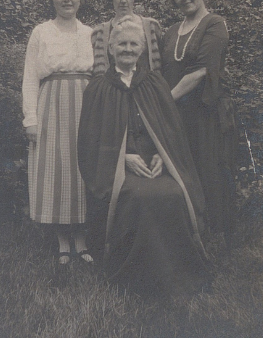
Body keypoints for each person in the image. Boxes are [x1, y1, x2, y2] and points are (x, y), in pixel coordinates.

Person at [78, 18, 210, 296]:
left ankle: (176, 271)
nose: (127, 49)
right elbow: (90, 142)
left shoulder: (154, 82)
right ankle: (135, 277)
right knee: (137, 197)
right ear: (111, 49)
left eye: (133, 44)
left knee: (172, 192)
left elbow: (171, 131)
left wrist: (164, 157)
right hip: (118, 170)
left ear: (142, 50)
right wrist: (123, 158)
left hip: (155, 163)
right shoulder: (99, 87)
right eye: (122, 44)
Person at [22, 0, 94, 264]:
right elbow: (29, 77)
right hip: (51, 103)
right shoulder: (41, 32)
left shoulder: (92, 33)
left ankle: (82, 238)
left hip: (86, 104)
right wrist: (31, 119)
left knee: (82, 169)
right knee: (58, 169)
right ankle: (63, 239)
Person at [161, 0, 237, 239]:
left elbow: (200, 71)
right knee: (181, 172)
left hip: (204, 113)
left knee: (208, 171)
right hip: (175, 113)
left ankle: (216, 237)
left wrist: (163, 103)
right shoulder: (171, 32)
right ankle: (187, 234)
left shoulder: (214, 24)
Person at [91, 0, 164, 75]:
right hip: (112, 90)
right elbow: (99, 73)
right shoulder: (100, 32)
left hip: (147, 89)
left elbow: (159, 67)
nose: (123, 0)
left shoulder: (151, 26)